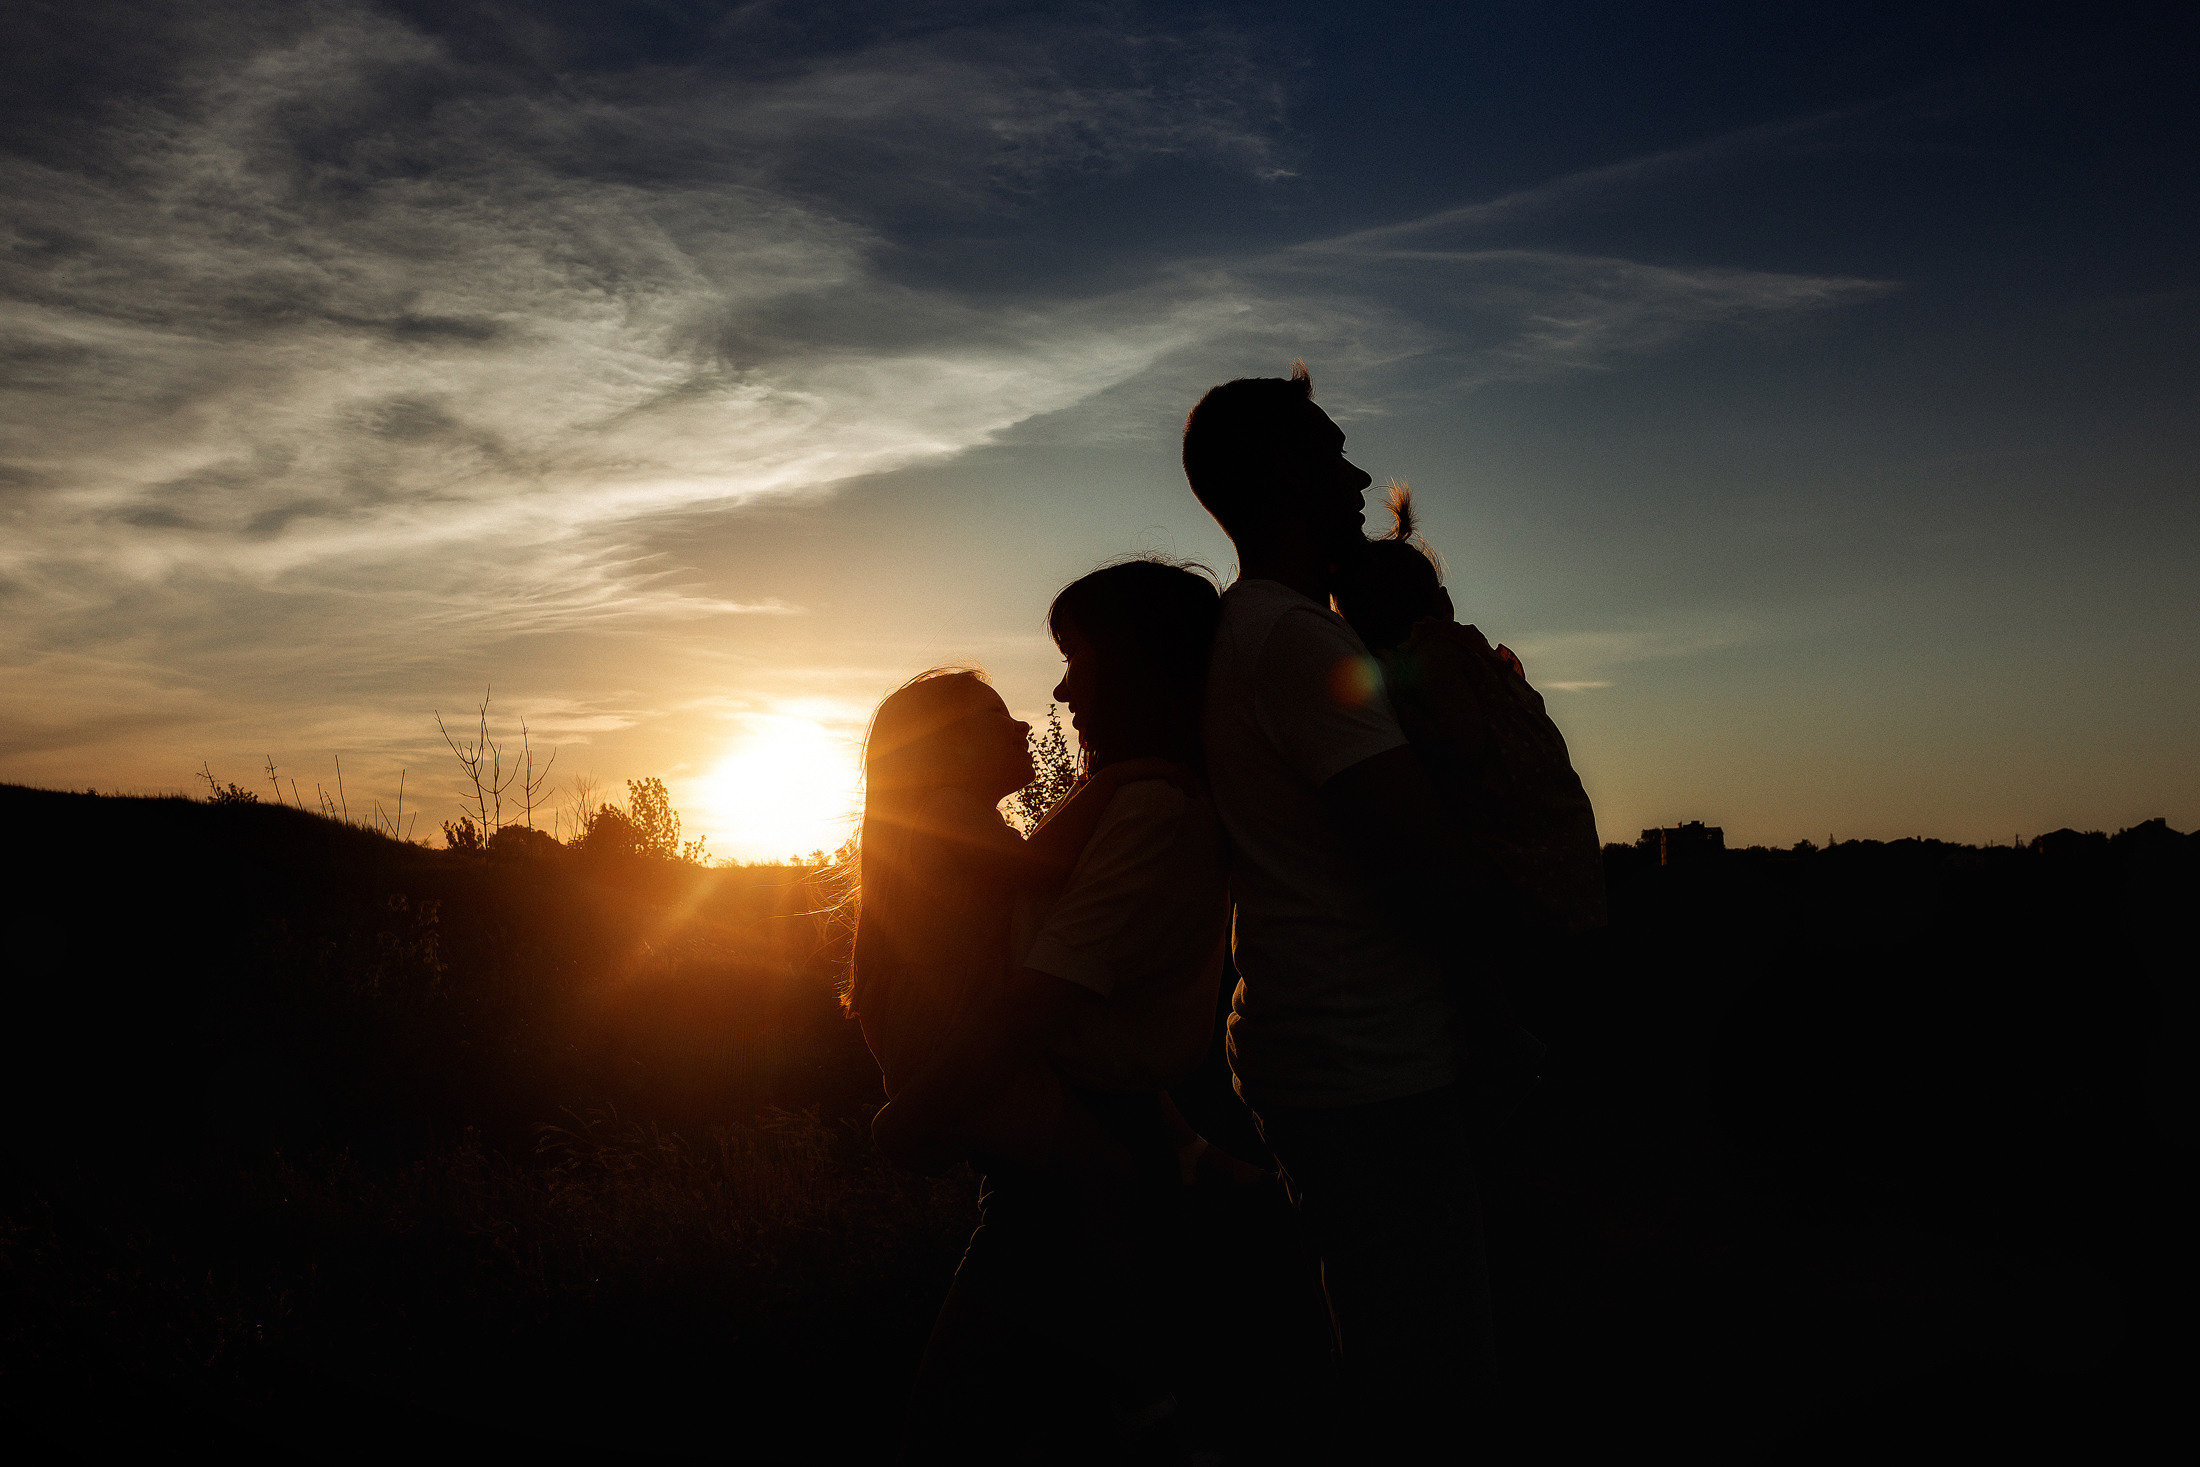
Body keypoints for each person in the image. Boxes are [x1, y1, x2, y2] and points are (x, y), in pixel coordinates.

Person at [1184, 363, 1508, 1452]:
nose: (1358, 471)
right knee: (1430, 1387)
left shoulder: (1250, 634)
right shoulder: (1297, 642)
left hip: (1320, 1052)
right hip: (1372, 1068)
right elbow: (1424, 863)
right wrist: (1520, 1006)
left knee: (1387, 1358)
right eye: (1330, 450)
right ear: (1280, 472)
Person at [866, 560, 1243, 1462]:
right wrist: (1112, 783)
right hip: (966, 1053)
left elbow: (1049, 990)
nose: (1050, 701)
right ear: (950, 750)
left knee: (978, 1395)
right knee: (1092, 1194)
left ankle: (1147, 1397)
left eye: (1076, 660)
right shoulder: (958, 814)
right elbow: (1040, 899)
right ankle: (1149, 1397)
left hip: (977, 1057)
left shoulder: (1140, 808)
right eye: (998, 720)